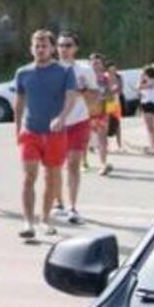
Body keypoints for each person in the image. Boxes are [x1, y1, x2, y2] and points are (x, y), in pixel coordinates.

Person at [14, 30, 79, 239]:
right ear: (31, 49)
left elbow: (71, 97)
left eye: (44, 46)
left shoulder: (64, 71)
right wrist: (17, 128)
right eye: (37, 46)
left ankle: (45, 219)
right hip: (30, 132)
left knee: (51, 178)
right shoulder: (23, 73)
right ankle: (28, 222)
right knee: (28, 177)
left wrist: (62, 117)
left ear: (52, 49)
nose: (40, 49)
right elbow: (19, 102)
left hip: (55, 133)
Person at [54, 31, 99, 224]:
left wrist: (82, 91)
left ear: (75, 48)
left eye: (68, 45)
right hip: (56, 123)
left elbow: (95, 97)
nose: (64, 49)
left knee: (73, 164)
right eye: (61, 45)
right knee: (55, 166)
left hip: (79, 121)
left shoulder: (85, 70)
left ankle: (72, 207)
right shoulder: (50, 69)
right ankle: (58, 203)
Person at [88, 54, 113, 175]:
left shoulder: (106, 78)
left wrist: (105, 101)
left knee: (102, 138)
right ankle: (83, 162)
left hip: (101, 112)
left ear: (102, 65)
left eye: (97, 63)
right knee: (84, 139)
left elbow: (110, 96)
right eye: (93, 62)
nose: (95, 65)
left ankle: (103, 164)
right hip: (86, 112)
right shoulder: (85, 77)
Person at [138, 64, 154, 154]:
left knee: (151, 127)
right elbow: (138, 88)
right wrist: (141, 80)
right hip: (145, 104)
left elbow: (142, 87)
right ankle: (152, 146)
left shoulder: (153, 81)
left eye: (144, 72)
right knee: (149, 127)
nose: (142, 74)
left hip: (150, 104)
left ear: (148, 73)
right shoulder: (146, 81)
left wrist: (142, 79)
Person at [105, 60, 125, 152]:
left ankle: (119, 144)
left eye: (114, 68)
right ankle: (106, 145)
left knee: (117, 122)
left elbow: (120, 90)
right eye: (111, 68)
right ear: (108, 69)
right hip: (108, 101)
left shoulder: (119, 77)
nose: (113, 70)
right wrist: (112, 90)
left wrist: (114, 90)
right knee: (107, 122)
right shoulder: (105, 77)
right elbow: (105, 90)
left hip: (117, 101)